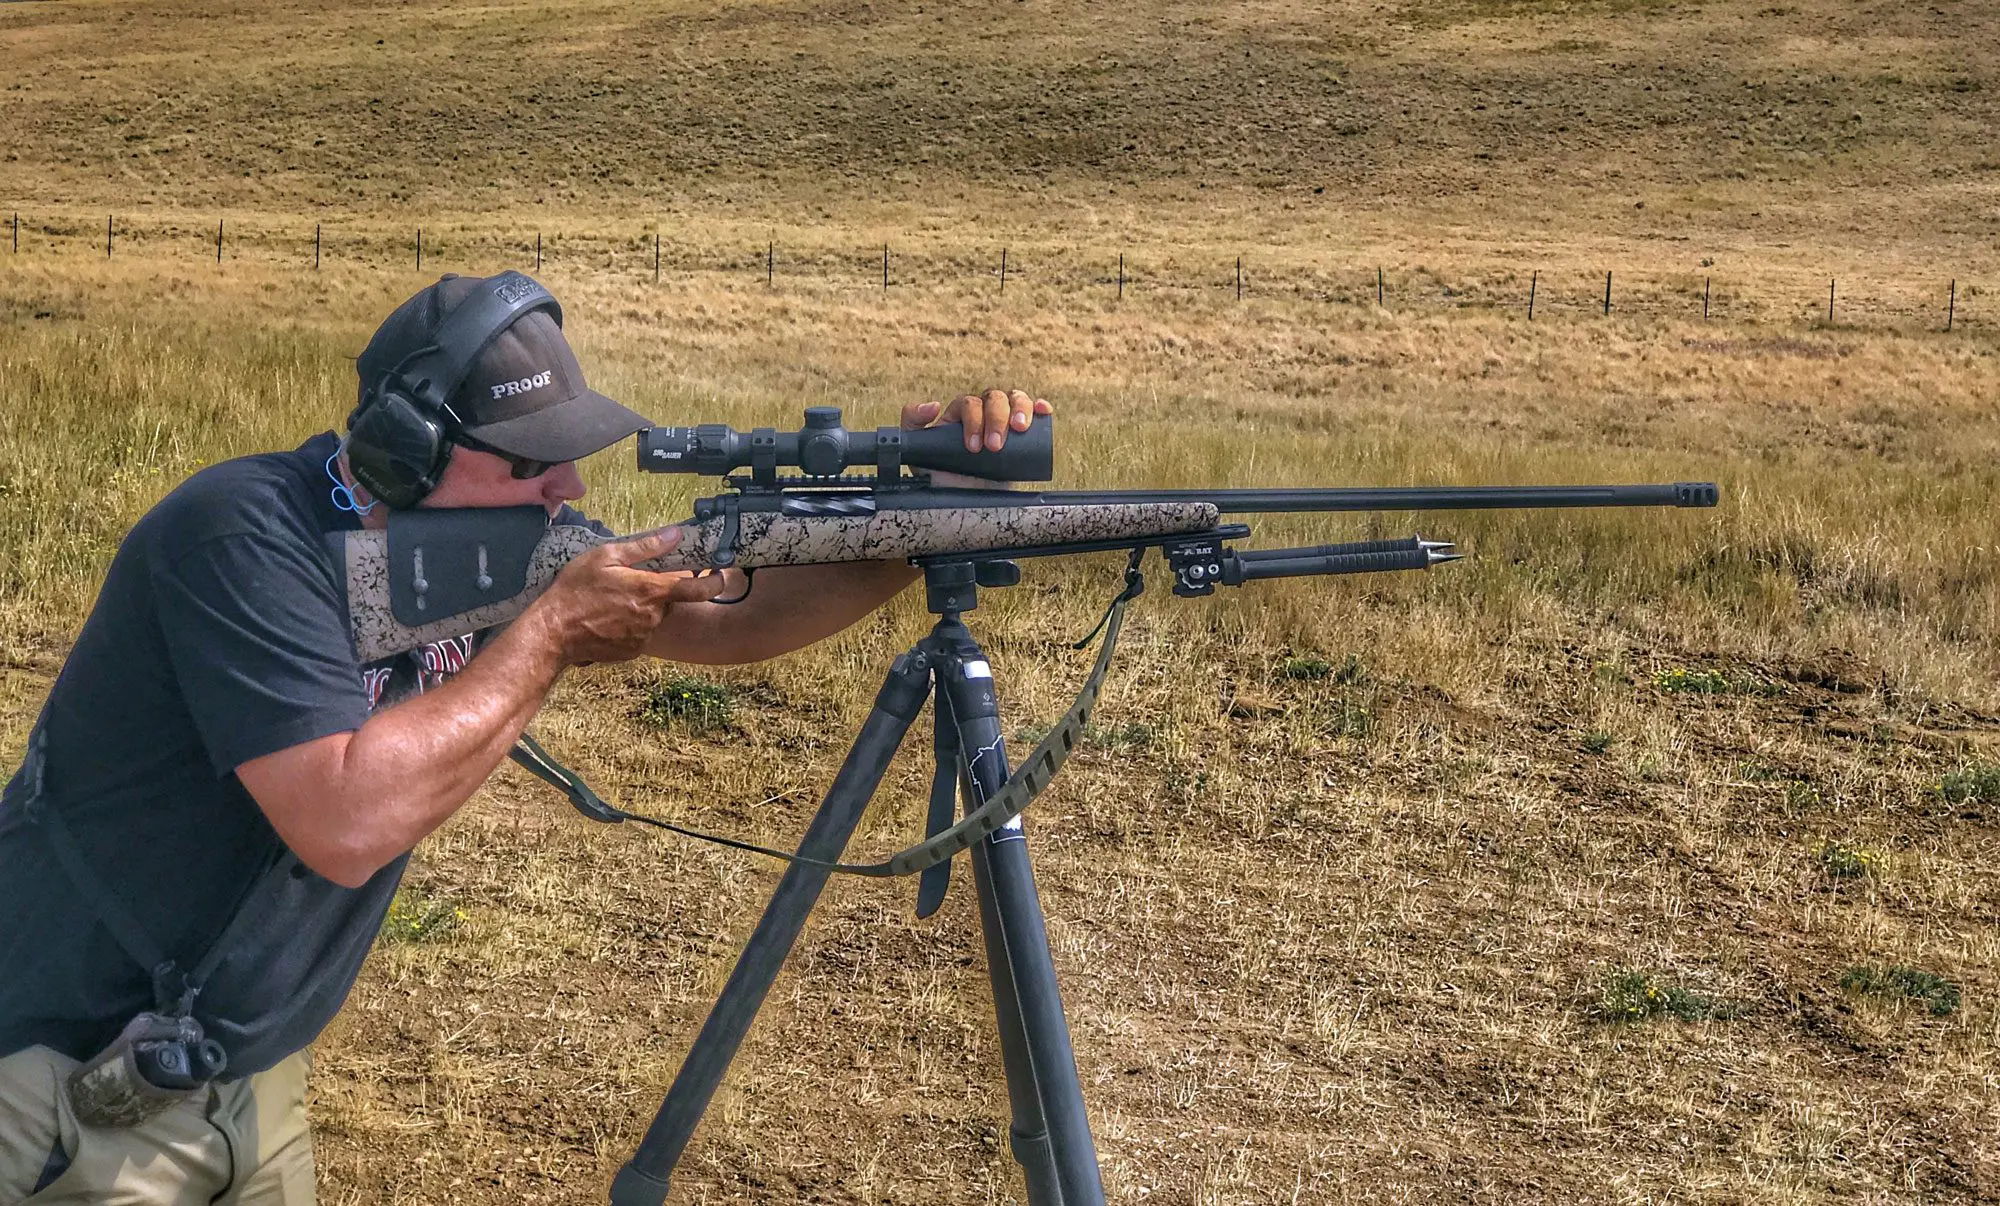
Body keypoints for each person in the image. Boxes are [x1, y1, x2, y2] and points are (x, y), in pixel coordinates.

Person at [0, 271, 1052, 1205]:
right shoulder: (239, 536)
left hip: (239, 1065)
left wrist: (919, 523)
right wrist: (547, 634)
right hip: (58, 1062)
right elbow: (345, 818)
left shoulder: (497, 552)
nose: (568, 491)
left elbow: (731, 614)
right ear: (402, 451)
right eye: (530, 465)